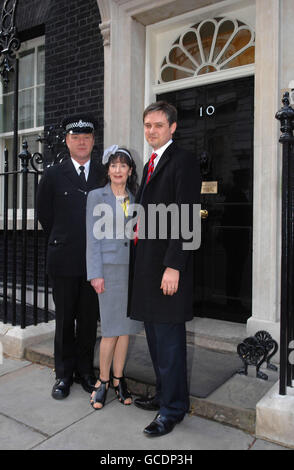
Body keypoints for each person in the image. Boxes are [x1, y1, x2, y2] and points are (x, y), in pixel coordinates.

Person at [129, 101, 201, 437]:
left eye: (158, 125)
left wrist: (174, 266)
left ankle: (172, 410)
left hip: (167, 268)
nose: (151, 131)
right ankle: (165, 396)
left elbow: (187, 216)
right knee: (156, 341)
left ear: (173, 127)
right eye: (147, 125)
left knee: (170, 343)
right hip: (148, 268)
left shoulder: (182, 161)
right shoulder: (150, 163)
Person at [37, 114, 103, 400]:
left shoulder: (103, 173)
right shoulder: (52, 175)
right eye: (75, 137)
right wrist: (65, 240)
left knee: (89, 320)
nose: (81, 142)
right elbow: (45, 216)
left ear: (93, 141)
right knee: (64, 320)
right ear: (67, 141)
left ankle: (85, 371)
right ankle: (63, 374)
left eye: (86, 137)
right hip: (64, 260)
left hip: (94, 262)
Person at [86, 145, 143, 410]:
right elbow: (92, 238)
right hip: (107, 271)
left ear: (130, 170)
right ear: (108, 170)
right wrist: (95, 274)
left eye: (123, 166)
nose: (118, 170)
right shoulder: (96, 196)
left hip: (129, 273)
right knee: (110, 330)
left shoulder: (135, 198)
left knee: (127, 331)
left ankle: (119, 380)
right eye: (113, 165)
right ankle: (103, 381)